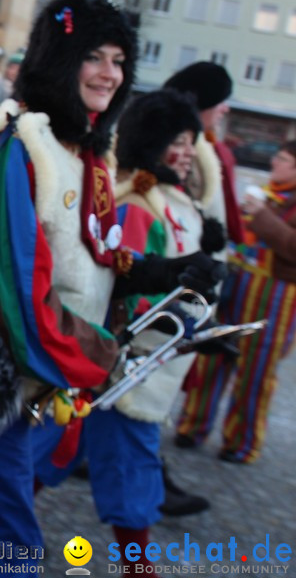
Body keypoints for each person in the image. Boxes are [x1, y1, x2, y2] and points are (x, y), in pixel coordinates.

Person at [0, 0, 221, 574]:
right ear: (63, 59)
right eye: (95, 57)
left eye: (119, 61)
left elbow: (92, 257)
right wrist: (96, 353)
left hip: (29, 383)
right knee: (5, 554)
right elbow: (11, 287)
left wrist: (166, 272)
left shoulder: (81, 152)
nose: (110, 74)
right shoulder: (18, 148)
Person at [33, 89, 220, 562]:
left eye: (190, 141)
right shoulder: (139, 201)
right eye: (176, 139)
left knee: (55, 450)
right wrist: (170, 313)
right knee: (129, 468)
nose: (184, 150)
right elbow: (126, 278)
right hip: (128, 365)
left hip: (149, 362)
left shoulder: (175, 199)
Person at [176, 140, 296, 463]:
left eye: (283, 160)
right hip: (239, 283)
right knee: (212, 353)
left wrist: (262, 217)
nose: (274, 164)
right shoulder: (269, 192)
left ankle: (241, 443)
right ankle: (192, 425)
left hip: (276, 294)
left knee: (256, 370)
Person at [165, 61, 245, 248]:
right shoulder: (177, 146)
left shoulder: (209, 146)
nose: (226, 109)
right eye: (220, 101)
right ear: (203, 102)